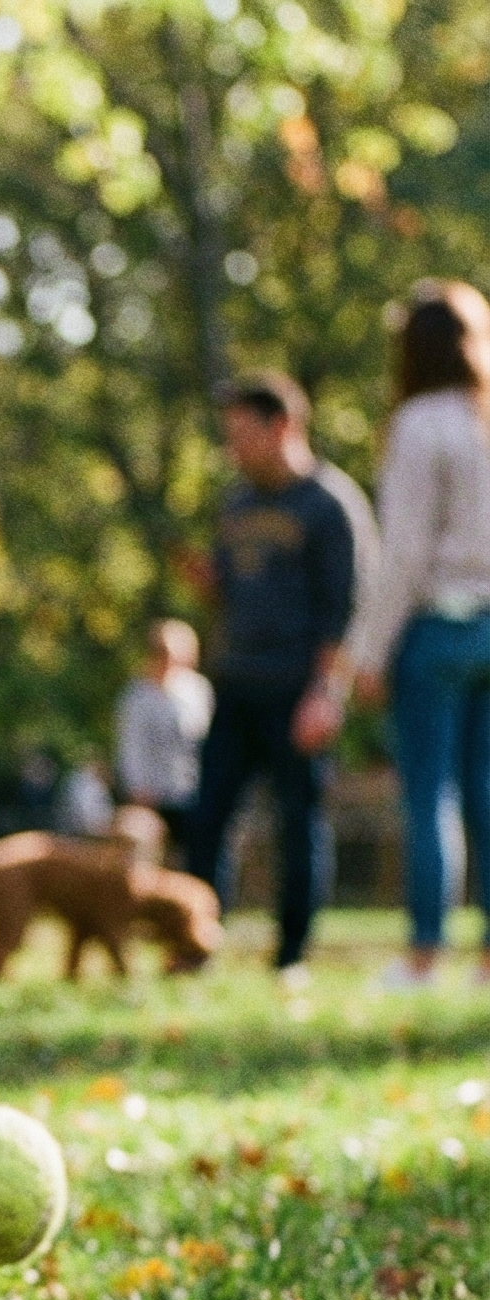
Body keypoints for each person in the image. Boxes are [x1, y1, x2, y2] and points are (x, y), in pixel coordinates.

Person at [331, 281, 490, 989]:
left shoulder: (421, 424)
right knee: (486, 793)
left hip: (437, 631)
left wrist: (364, 654)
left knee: (430, 795)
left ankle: (425, 954)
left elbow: (403, 554)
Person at [187, 372, 361, 981]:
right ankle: (197, 944)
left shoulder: (330, 504)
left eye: (242, 435)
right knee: (208, 817)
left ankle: (291, 955)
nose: (232, 449)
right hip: (236, 683)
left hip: (297, 688)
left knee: (298, 823)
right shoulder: (236, 504)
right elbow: (233, 591)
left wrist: (326, 693)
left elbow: (346, 610)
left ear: (282, 425)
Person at [115, 619, 214, 849]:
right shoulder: (136, 696)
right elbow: (131, 746)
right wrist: (138, 789)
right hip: (152, 795)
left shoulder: (199, 691)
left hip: (193, 793)